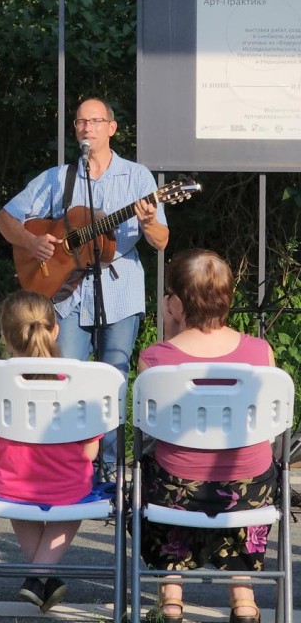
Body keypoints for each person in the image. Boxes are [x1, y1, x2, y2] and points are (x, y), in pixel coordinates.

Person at [0, 97, 169, 467]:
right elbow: (4, 219)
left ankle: (109, 467)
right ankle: (68, 464)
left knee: (114, 376)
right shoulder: (59, 178)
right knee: (67, 376)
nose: (86, 128)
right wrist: (33, 242)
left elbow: (161, 240)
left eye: (94, 121)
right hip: (68, 295)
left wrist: (149, 220)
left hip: (119, 291)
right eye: (80, 122)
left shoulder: (137, 178)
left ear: (112, 128)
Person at [137, 250, 276, 623]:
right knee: (239, 471)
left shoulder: (155, 359)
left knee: (154, 470)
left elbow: (150, 428)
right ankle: (244, 600)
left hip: (178, 488)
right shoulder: (261, 353)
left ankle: (170, 596)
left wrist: (169, 335)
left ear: (177, 302)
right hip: (249, 490)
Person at [0, 290, 101, 612]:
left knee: (17, 499)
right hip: (68, 486)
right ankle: (39, 576)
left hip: (11, 486)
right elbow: (90, 452)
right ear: (55, 329)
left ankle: (39, 576)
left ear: (5, 335)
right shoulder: (80, 383)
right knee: (75, 504)